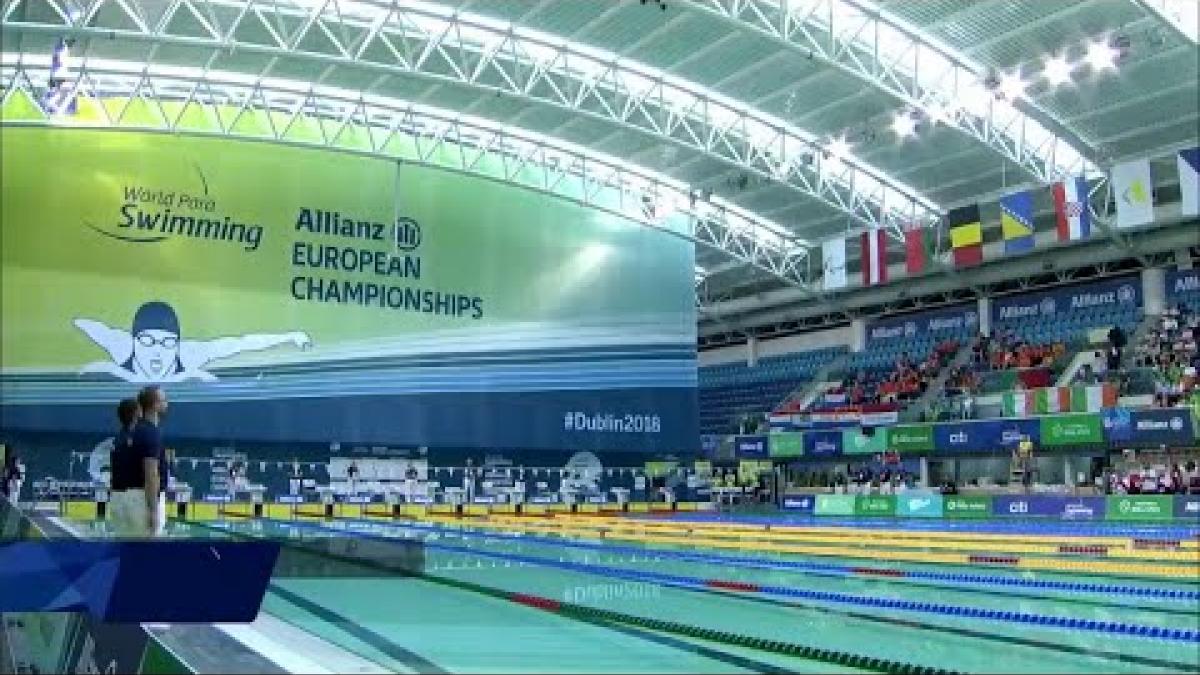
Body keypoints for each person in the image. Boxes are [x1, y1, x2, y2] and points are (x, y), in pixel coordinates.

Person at [132, 386, 169, 535]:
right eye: (164, 400)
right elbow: (151, 475)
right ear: (155, 405)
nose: (167, 403)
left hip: (134, 499)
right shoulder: (150, 433)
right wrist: (153, 511)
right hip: (145, 503)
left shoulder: (136, 429)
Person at [108, 398, 147, 535]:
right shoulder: (136, 438)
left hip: (117, 497)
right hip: (132, 499)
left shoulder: (118, 438)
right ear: (136, 413)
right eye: (141, 410)